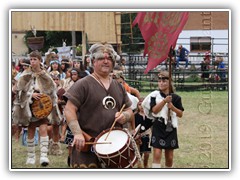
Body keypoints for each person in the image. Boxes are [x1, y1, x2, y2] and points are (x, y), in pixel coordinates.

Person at [63, 43, 133, 168]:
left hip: (113, 147)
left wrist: (125, 115)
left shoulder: (118, 86)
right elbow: (69, 109)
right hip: (88, 145)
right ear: (93, 61)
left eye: (109, 58)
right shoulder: (82, 84)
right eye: (101, 58)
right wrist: (77, 133)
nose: (106, 61)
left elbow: (129, 109)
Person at [12, 50, 61, 166]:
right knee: (31, 129)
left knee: (43, 127)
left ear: (40, 60)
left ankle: (43, 156)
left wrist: (45, 96)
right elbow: (17, 89)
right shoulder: (26, 74)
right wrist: (30, 94)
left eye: (35, 59)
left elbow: (52, 89)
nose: (33, 61)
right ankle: (31, 156)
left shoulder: (45, 74)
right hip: (29, 106)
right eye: (31, 59)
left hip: (43, 106)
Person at [141, 71, 184, 168]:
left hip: (170, 127)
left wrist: (172, 107)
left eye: (164, 81)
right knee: (157, 152)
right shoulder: (154, 96)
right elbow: (154, 111)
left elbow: (180, 114)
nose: (161, 83)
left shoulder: (176, 98)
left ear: (169, 82)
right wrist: (164, 101)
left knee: (169, 156)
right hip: (158, 126)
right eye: (159, 81)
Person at [134, 98, 153, 168]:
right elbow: (133, 127)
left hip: (147, 136)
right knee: (139, 153)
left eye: (143, 105)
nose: (141, 107)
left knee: (147, 153)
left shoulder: (149, 116)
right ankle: (139, 167)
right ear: (137, 106)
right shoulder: (135, 116)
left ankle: (146, 165)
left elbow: (151, 126)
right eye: (139, 105)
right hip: (138, 137)